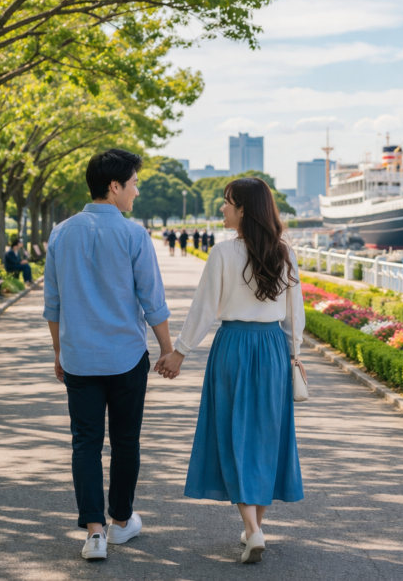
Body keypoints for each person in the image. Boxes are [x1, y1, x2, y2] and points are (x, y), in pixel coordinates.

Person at [156, 177, 305, 565]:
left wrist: (179, 352)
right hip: (273, 349)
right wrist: (294, 354)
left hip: (233, 348)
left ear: (243, 209)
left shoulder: (222, 252)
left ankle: (252, 529)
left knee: (233, 433)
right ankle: (255, 527)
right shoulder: (284, 252)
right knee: (267, 436)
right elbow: (295, 314)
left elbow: (204, 307)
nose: (222, 208)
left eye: (227, 202)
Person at [43, 148, 174, 562]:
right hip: (126, 356)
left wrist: (59, 352)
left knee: (85, 443)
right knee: (125, 441)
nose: (137, 191)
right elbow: (152, 301)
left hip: (79, 357)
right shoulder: (135, 235)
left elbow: (53, 304)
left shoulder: (61, 233)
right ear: (114, 186)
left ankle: (94, 534)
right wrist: (168, 349)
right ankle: (120, 521)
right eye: (134, 183)